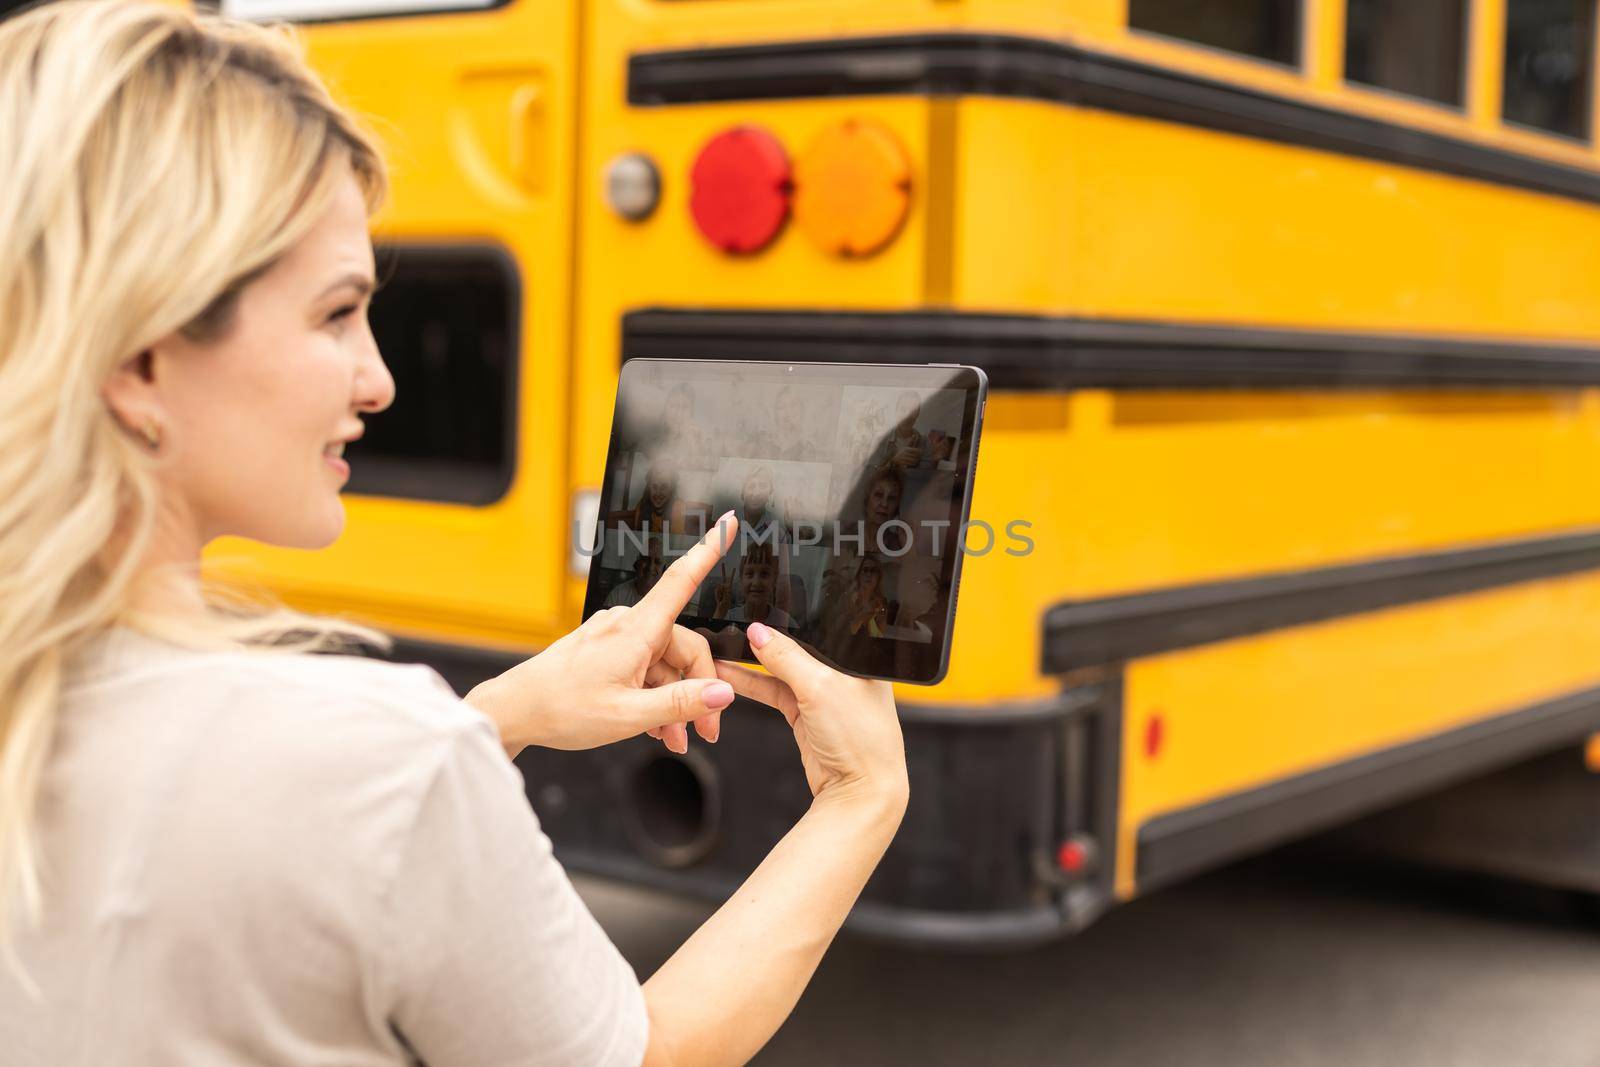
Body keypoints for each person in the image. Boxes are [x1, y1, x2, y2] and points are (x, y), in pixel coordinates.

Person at [0, 5, 909, 1066]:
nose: (379, 378)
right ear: (140, 361)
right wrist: (860, 798)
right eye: (336, 314)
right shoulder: (380, 761)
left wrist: (496, 718)